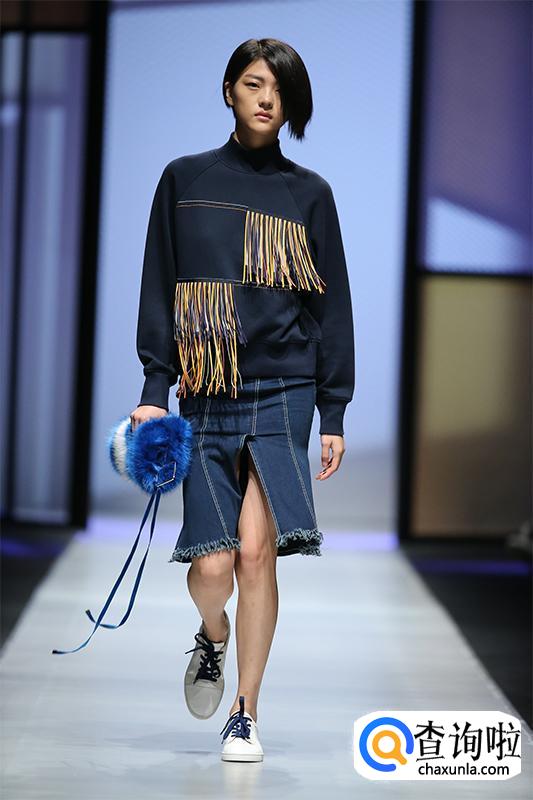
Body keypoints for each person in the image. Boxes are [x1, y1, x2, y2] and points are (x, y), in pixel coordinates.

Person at [129, 37, 355, 762]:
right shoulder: (184, 179)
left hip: (285, 389)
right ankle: (213, 634)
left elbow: (331, 307)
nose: (267, 100)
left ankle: (245, 712)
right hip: (206, 390)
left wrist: (333, 409)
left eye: (280, 91)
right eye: (255, 84)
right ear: (229, 90)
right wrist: (154, 388)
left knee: (257, 555)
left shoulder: (308, 193)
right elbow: (161, 284)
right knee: (212, 566)